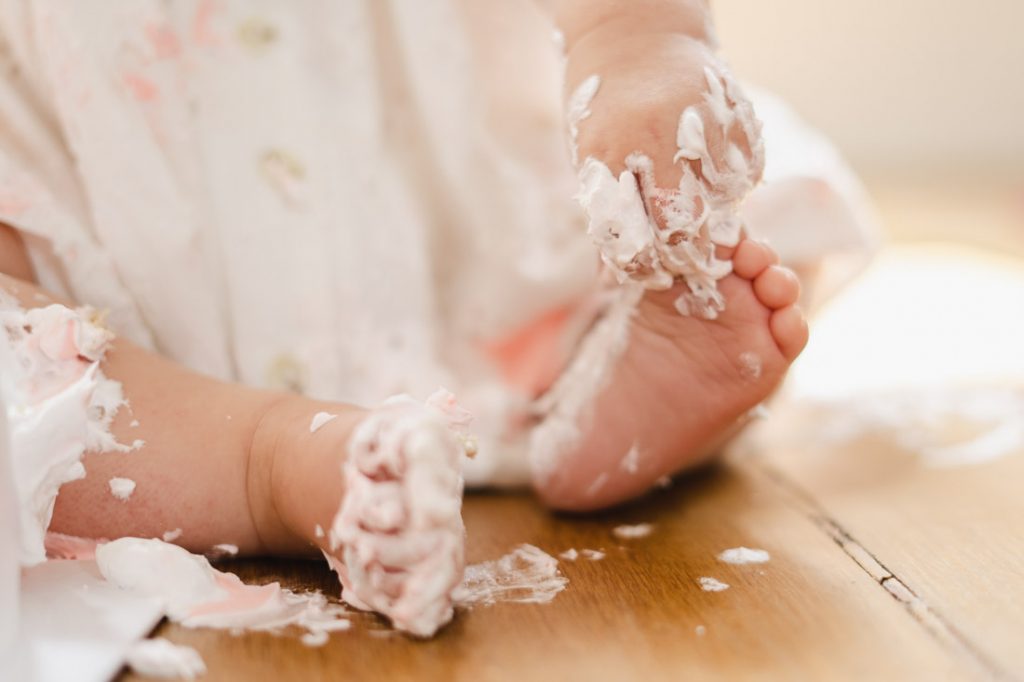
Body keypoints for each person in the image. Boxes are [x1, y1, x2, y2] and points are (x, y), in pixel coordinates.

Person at [0, 1, 873, 633]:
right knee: (30, 368)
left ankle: (603, 385)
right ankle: (274, 462)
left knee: (698, 200)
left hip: (443, 185)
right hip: (92, 231)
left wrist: (635, 37)